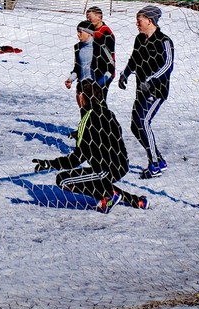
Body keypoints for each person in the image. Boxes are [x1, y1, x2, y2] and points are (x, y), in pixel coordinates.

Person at [32, 79, 150, 213]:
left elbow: (77, 158)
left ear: (81, 96)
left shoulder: (87, 119)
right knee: (97, 182)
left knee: (63, 180)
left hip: (105, 169)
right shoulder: (108, 113)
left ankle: (109, 196)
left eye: (77, 94)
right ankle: (137, 201)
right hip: (122, 164)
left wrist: (51, 164)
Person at [117, 5, 174, 179]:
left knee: (143, 122)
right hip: (141, 89)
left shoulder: (164, 41)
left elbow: (168, 66)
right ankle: (159, 160)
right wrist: (125, 74)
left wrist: (150, 81)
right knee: (135, 126)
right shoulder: (139, 39)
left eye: (139, 20)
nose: (137, 23)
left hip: (156, 91)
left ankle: (154, 164)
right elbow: (134, 59)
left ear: (149, 21)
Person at [65, 20, 113, 98]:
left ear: (89, 33)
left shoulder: (100, 46)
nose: (78, 34)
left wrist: (98, 85)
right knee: (84, 110)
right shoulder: (77, 47)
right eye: (77, 32)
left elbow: (111, 69)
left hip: (96, 89)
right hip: (81, 87)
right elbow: (77, 68)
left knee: (97, 110)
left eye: (80, 32)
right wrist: (70, 79)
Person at [85, 6, 115, 97]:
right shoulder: (92, 30)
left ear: (99, 17)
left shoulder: (106, 33)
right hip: (93, 71)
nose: (88, 20)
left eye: (90, 18)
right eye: (87, 18)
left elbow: (109, 58)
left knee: (99, 99)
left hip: (106, 73)